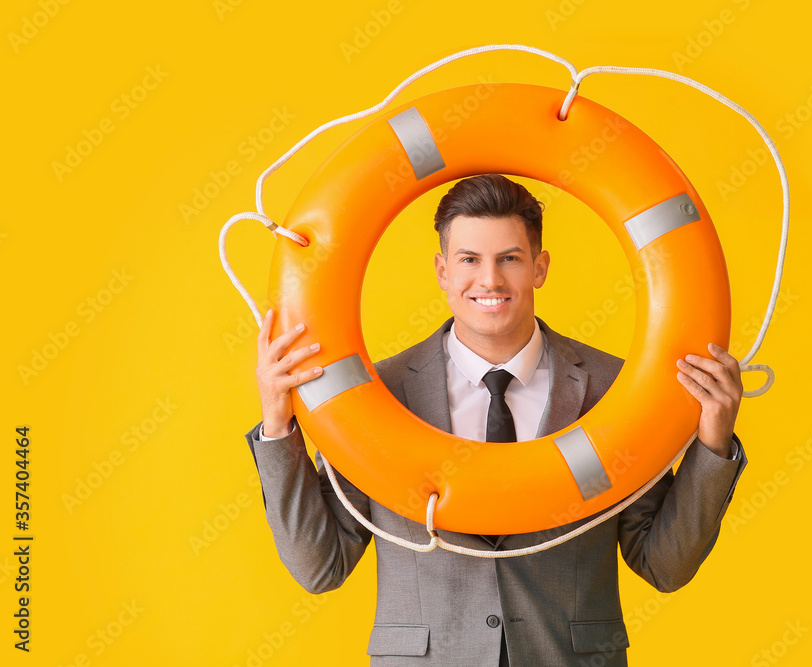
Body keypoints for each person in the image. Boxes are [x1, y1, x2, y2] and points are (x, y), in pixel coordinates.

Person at [245, 173, 748, 666]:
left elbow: (665, 565)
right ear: (443, 270)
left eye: (509, 258)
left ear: (540, 267)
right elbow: (320, 566)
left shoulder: (612, 388)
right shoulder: (380, 397)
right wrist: (277, 422)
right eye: (470, 259)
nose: (490, 280)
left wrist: (713, 442)